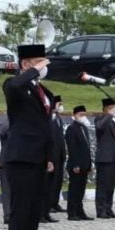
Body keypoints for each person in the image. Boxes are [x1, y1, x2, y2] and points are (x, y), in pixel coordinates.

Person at [3, 44, 56, 230]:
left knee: (34, 212)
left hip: (38, 157)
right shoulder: (14, 85)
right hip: (21, 157)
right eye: (38, 62)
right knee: (20, 212)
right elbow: (14, 85)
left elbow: (45, 126)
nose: (43, 67)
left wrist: (49, 157)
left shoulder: (41, 90)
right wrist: (32, 71)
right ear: (25, 64)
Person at [65, 105, 94, 221]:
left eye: (84, 115)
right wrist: (75, 164)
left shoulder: (84, 129)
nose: (83, 117)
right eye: (80, 115)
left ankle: (80, 211)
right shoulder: (72, 129)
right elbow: (72, 149)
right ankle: (72, 212)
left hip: (84, 164)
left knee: (81, 190)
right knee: (74, 189)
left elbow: (87, 148)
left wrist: (89, 164)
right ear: (75, 116)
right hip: (76, 165)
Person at [94, 98, 115, 219]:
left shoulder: (114, 121)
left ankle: (108, 208)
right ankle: (101, 210)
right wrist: (109, 115)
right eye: (113, 108)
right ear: (107, 109)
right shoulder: (100, 118)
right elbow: (99, 127)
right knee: (102, 186)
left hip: (114, 157)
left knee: (111, 185)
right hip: (104, 158)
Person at [44, 95, 66, 223]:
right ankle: (47, 207)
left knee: (57, 182)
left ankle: (54, 203)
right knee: (49, 184)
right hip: (51, 156)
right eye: (59, 104)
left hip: (59, 155)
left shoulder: (58, 118)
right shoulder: (49, 119)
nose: (61, 107)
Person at [0, 118, 12, 224]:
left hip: (20, 161)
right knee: (7, 190)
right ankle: (8, 214)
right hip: (7, 161)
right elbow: (1, 130)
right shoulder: (6, 122)